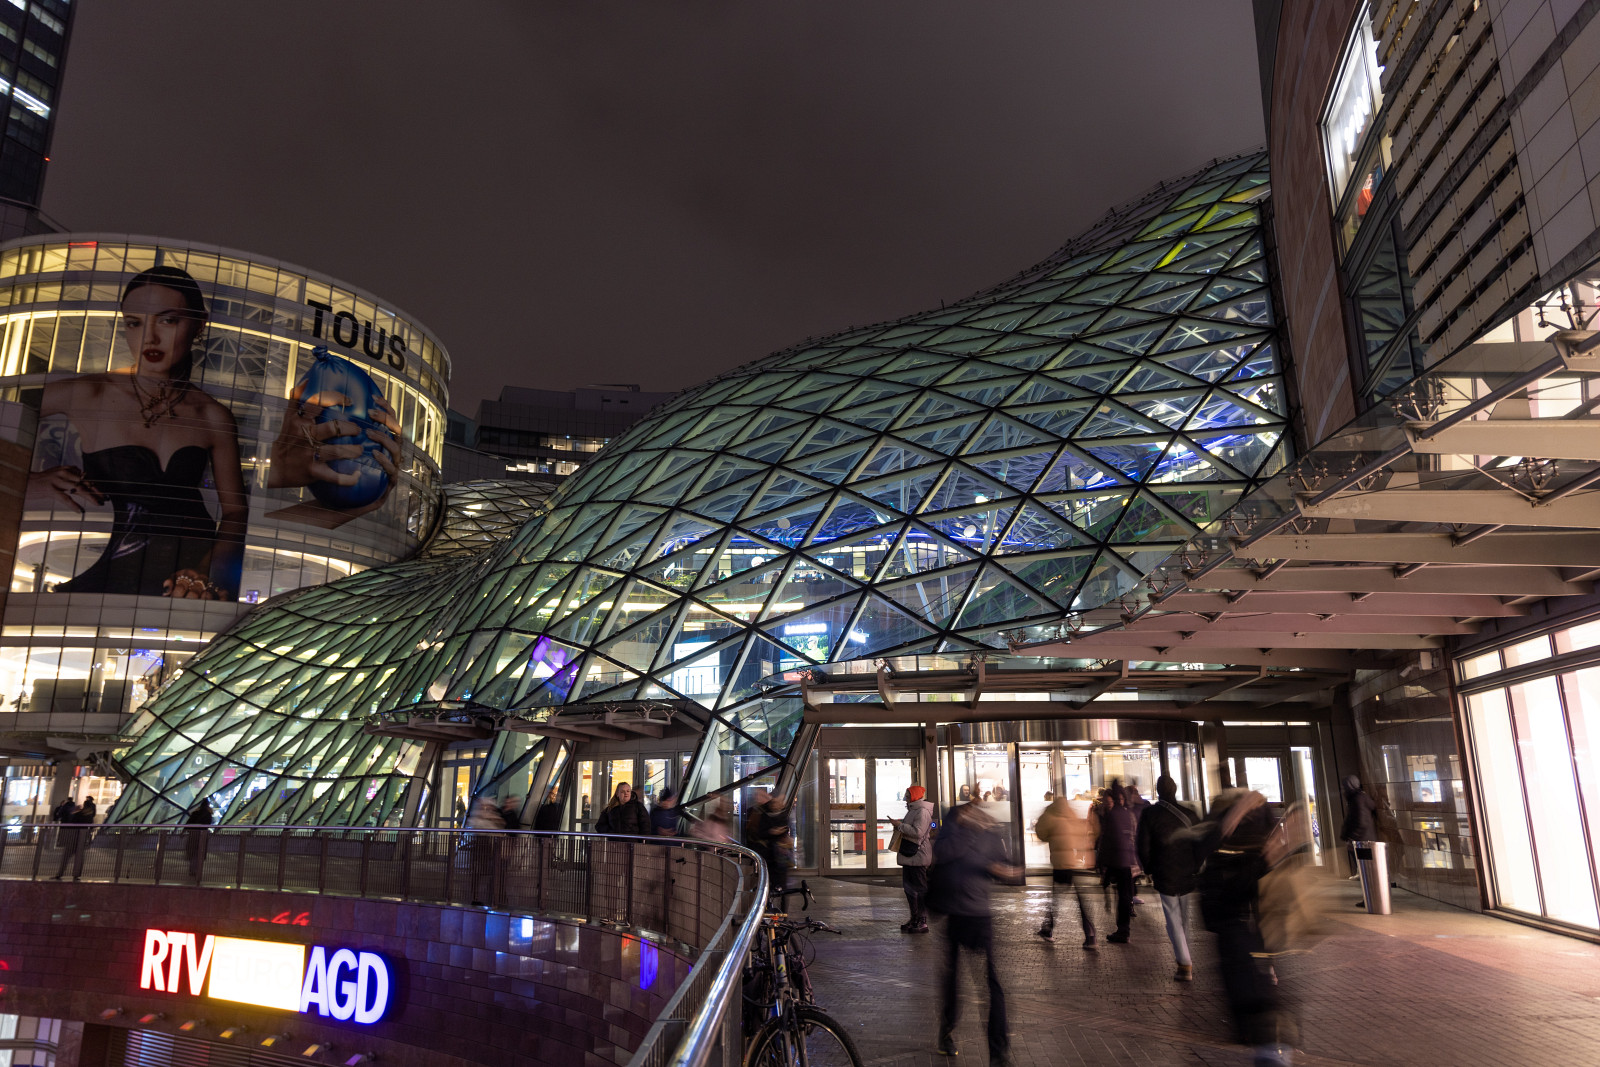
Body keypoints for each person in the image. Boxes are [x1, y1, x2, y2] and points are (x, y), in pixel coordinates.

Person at [30, 266, 247, 599]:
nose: (150, 338)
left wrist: (205, 571)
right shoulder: (89, 392)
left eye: (167, 320)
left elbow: (235, 512)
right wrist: (30, 481)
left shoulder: (213, 415)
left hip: (185, 579)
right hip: (106, 574)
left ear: (199, 325)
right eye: (134, 323)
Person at [1187, 789, 1297, 1066]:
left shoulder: (1242, 852)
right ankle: (1262, 1039)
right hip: (1239, 932)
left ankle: (1263, 1040)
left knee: (1253, 988)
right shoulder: (1227, 851)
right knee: (1252, 987)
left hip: (1245, 934)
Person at [930, 800, 1019, 1065]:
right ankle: (947, 1031)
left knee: (992, 985)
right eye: (970, 811)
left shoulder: (990, 834)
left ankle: (999, 1053)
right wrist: (968, 831)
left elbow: (1004, 865)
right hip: (955, 914)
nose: (976, 814)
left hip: (980, 916)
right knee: (953, 981)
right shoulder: (953, 831)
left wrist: (1004, 871)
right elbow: (941, 854)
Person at [1136, 775, 1199, 980]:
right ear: (1175, 789)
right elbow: (1200, 843)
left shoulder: (1150, 814)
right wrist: (1196, 865)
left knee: (1173, 917)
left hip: (1164, 871)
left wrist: (1149, 868)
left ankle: (1184, 963)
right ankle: (1185, 956)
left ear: (1158, 791)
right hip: (1187, 871)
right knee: (1184, 917)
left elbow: (1142, 846)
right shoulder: (1189, 814)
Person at [1033, 791, 1100, 948]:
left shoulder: (1050, 815)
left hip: (1061, 864)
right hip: (1077, 863)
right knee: (1080, 901)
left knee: (1057, 898)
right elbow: (1086, 832)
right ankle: (1090, 935)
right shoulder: (1072, 815)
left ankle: (1048, 929)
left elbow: (1041, 833)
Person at [1101, 785, 1138, 943]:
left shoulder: (1116, 815)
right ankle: (1123, 929)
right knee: (1124, 895)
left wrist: (1103, 864)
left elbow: (1109, 841)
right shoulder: (1125, 814)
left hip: (1121, 861)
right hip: (1124, 860)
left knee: (1123, 896)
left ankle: (1123, 931)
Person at [897, 785, 936, 933]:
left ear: (914, 796)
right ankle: (914, 918)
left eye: (907, 796)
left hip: (918, 854)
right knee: (909, 889)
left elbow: (918, 832)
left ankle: (922, 921)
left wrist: (900, 826)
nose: (905, 798)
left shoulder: (922, 811)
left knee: (919, 888)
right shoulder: (913, 810)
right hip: (910, 855)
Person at [465, 795, 506, 907]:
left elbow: (498, 826)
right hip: (482, 847)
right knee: (479, 872)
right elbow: (482, 826)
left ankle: (489, 896)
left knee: (486, 872)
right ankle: (477, 896)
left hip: (487, 847)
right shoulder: (479, 817)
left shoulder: (486, 817)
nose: (487, 809)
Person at [1339, 774, 1378, 880]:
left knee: (1360, 853)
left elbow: (1361, 820)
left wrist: (1354, 836)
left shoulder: (1357, 799)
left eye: (1344, 786)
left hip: (1362, 836)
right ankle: (1361, 872)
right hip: (1363, 835)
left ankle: (1363, 873)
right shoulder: (1357, 798)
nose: (1343, 789)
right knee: (1359, 853)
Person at [755, 793, 794, 896]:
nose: (776, 805)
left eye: (779, 802)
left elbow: (786, 832)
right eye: (774, 802)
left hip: (781, 855)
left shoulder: (784, 816)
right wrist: (771, 832)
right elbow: (760, 833)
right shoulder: (765, 816)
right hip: (769, 854)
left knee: (781, 879)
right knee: (771, 877)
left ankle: (781, 897)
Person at [52, 798, 93, 881]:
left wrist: (74, 812)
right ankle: (76, 875)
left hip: (73, 837)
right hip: (82, 839)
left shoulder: (79, 813)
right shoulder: (89, 816)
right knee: (79, 858)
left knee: (66, 857)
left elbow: (71, 822)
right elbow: (90, 825)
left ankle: (60, 874)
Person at [184, 797, 214, 879]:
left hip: (193, 834)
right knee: (200, 853)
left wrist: (184, 831)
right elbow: (208, 824)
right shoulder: (208, 814)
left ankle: (192, 870)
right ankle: (197, 870)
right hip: (203, 835)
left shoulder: (195, 812)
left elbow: (188, 822)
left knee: (193, 852)